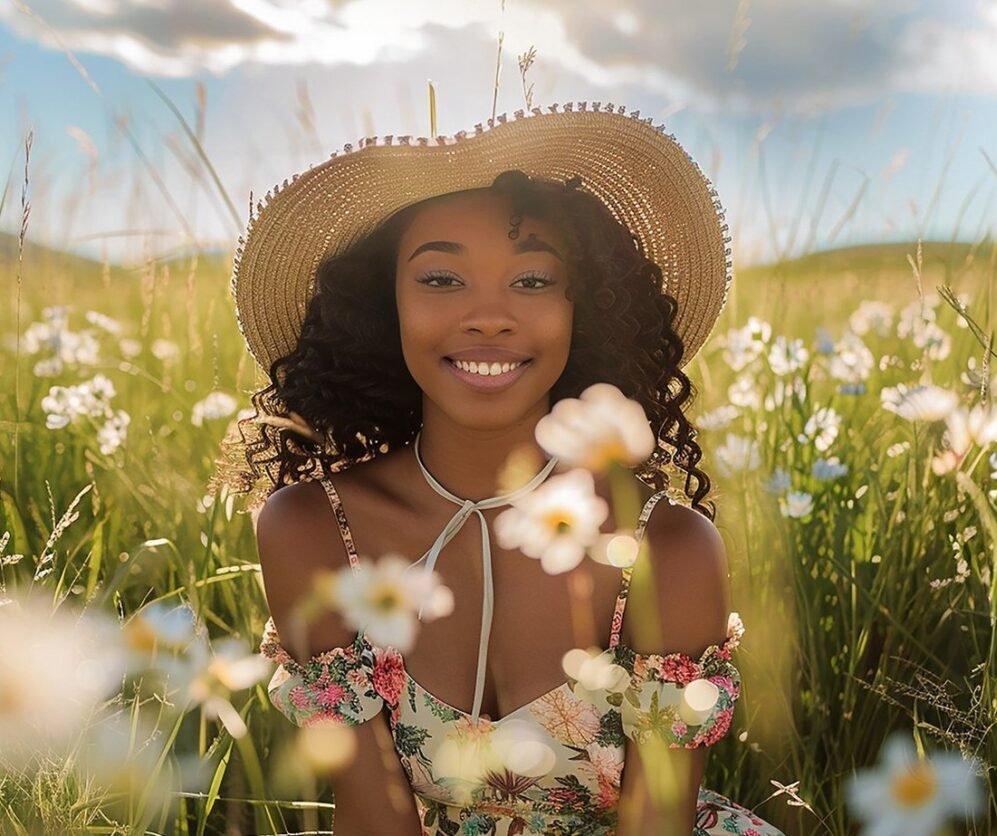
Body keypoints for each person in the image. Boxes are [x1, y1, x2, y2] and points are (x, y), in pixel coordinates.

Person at [229, 103, 785, 835]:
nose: (489, 316)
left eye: (531, 281)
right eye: (440, 279)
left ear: (584, 306)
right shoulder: (312, 528)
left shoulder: (668, 550)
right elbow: (370, 816)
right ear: (380, 303)